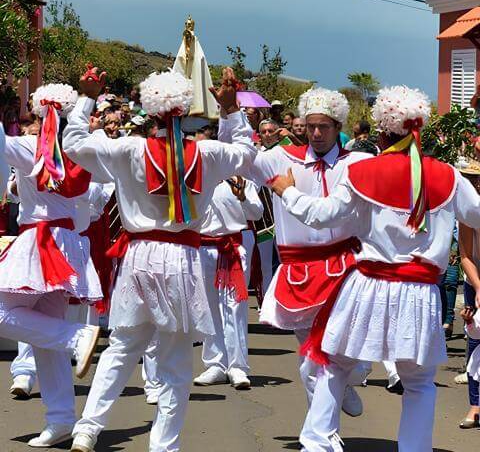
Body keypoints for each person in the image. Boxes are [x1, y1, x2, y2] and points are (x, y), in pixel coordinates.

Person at [269, 85, 480, 452]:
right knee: (419, 382)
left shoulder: (364, 171)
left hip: (368, 284)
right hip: (421, 292)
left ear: (381, 130)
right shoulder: (448, 175)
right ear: (419, 128)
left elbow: (321, 216)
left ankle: (317, 444)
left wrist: (288, 191)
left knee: (333, 364)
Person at [63, 67, 256, 452]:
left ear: (149, 113)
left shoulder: (129, 149)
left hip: (139, 257)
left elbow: (74, 144)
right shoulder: (207, 152)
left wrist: (86, 98)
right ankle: (163, 445)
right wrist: (232, 110)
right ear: (186, 113)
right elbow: (246, 154)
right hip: (183, 258)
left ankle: (87, 428)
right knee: (176, 360)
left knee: (122, 347)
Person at [245, 87, 371, 440]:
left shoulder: (356, 164)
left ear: (338, 126)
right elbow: (240, 159)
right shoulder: (281, 159)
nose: (316, 133)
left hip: (346, 269)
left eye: (324, 127)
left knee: (349, 354)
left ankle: (347, 381)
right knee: (310, 360)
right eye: (311, 126)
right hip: (299, 272)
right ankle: (324, 435)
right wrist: (230, 116)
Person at [0, 84, 104, 448]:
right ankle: (61, 418)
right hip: (67, 243)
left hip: (39, 242)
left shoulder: (30, 147)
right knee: (47, 338)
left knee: (3, 314)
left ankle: (78, 338)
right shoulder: (80, 152)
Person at [193, 175, 263, 389]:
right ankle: (215, 363)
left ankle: (238, 366)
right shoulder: (195, 180)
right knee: (209, 307)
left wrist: (242, 197)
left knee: (234, 306)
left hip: (231, 247)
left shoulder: (241, 181)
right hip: (202, 247)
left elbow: (257, 213)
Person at [458, 223, 480, 428]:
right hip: (475, 276)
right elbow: (465, 256)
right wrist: (479, 287)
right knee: (475, 335)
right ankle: (475, 405)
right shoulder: (470, 207)